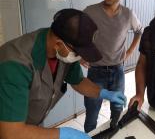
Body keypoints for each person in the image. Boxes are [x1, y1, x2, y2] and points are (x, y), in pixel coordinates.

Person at [0, 9, 126, 139]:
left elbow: (78, 82)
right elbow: (11, 133)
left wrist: (103, 93)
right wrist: (62, 134)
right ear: (59, 44)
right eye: (78, 53)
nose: (80, 58)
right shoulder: (15, 65)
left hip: (31, 125)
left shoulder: (61, 51)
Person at [81, 0, 143, 132]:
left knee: (117, 113)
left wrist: (129, 52)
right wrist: (80, 54)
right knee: (91, 116)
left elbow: (139, 31)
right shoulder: (90, 12)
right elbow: (77, 34)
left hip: (118, 72)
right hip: (95, 72)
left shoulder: (128, 14)